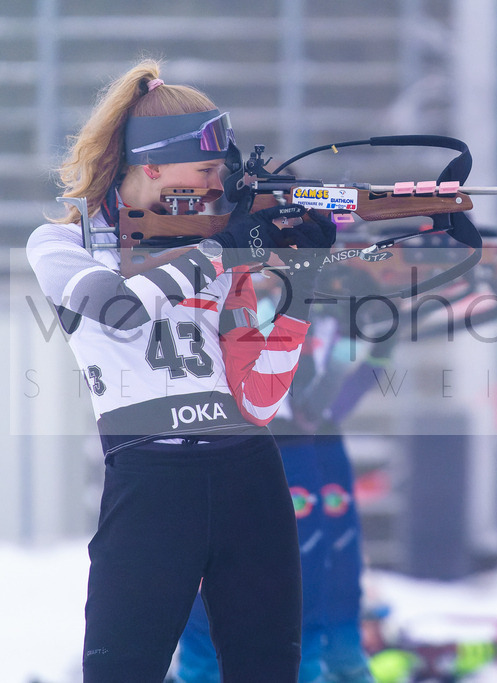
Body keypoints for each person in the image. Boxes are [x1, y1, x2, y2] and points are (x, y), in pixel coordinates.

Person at [25, 59, 335, 682]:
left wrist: (305, 273)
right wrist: (221, 250)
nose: (219, 184)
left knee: (269, 667)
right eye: (207, 170)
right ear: (153, 166)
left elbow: (259, 394)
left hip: (246, 468)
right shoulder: (62, 245)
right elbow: (112, 309)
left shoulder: (214, 239)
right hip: (151, 477)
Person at [177, 274, 398, 683]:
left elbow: (323, 400)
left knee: (298, 600)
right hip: (258, 443)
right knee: (221, 615)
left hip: (280, 445)